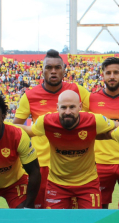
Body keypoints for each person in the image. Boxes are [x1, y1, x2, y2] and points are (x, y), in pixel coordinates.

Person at [13, 49, 90, 209]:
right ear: (42, 70)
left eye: (57, 67)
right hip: (41, 165)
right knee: (41, 213)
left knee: (74, 215)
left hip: (73, 164)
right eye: (49, 67)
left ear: (64, 70)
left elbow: (96, 115)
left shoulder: (78, 91)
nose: (53, 71)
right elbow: (16, 129)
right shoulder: (30, 96)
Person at [22, 90, 115, 209]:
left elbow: (118, 127)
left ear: (80, 107)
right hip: (57, 184)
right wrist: (2, 126)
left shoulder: (94, 120)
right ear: (57, 107)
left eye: (72, 107)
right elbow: (27, 130)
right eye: (63, 107)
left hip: (88, 183)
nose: (67, 112)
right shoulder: (46, 121)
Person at [89, 57, 119, 209]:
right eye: (108, 72)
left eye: (116, 72)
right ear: (102, 75)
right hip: (100, 162)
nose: (112, 76)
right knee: (98, 209)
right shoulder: (91, 99)